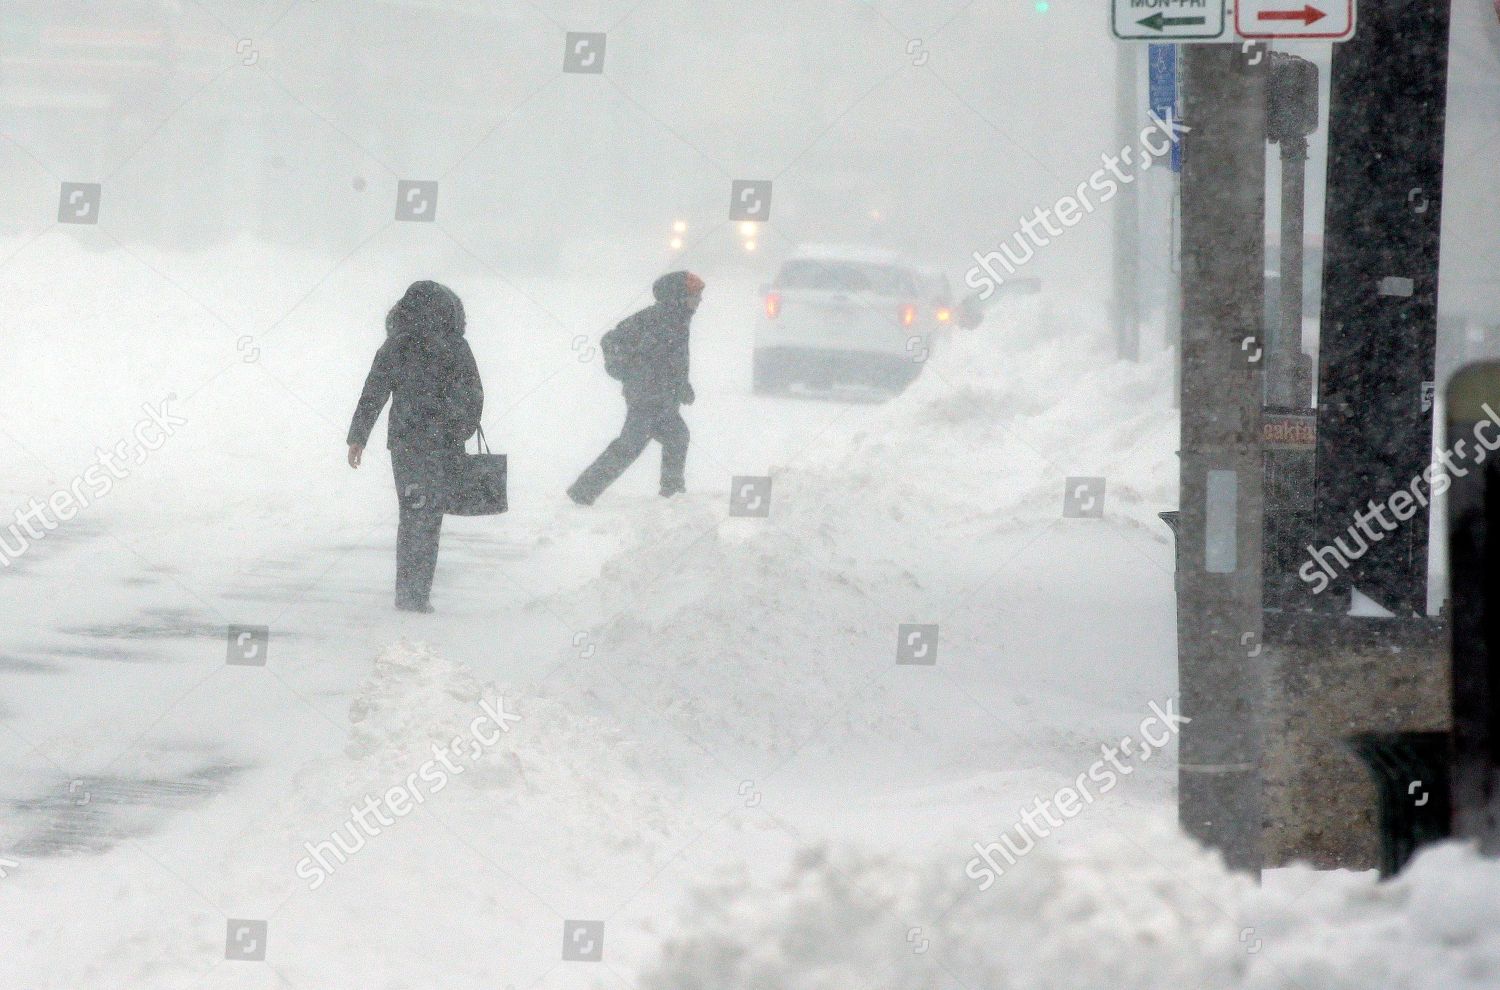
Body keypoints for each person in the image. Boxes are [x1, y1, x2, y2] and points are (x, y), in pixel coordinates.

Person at [347, 280, 483, 612]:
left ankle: (408, 594)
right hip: (443, 443)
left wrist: (358, 437)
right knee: (430, 517)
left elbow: (373, 391)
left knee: (412, 514)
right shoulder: (455, 346)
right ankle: (417, 595)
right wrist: (458, 429)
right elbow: (474, 395)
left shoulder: (397, 345)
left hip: (406, 443)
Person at [568, 271, 705, 505]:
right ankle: (585, 491)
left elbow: (673, 362)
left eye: (698, 298)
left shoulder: (679, 320)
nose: (698, 303)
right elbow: (611, 340)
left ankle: (671, 492)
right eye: (694, 298)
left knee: (671, 438)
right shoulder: (653, 319)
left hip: (662, 398)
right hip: (646, 399)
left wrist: (682, 386)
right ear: (678, 298)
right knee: (634, 445)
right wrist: (630, 371)